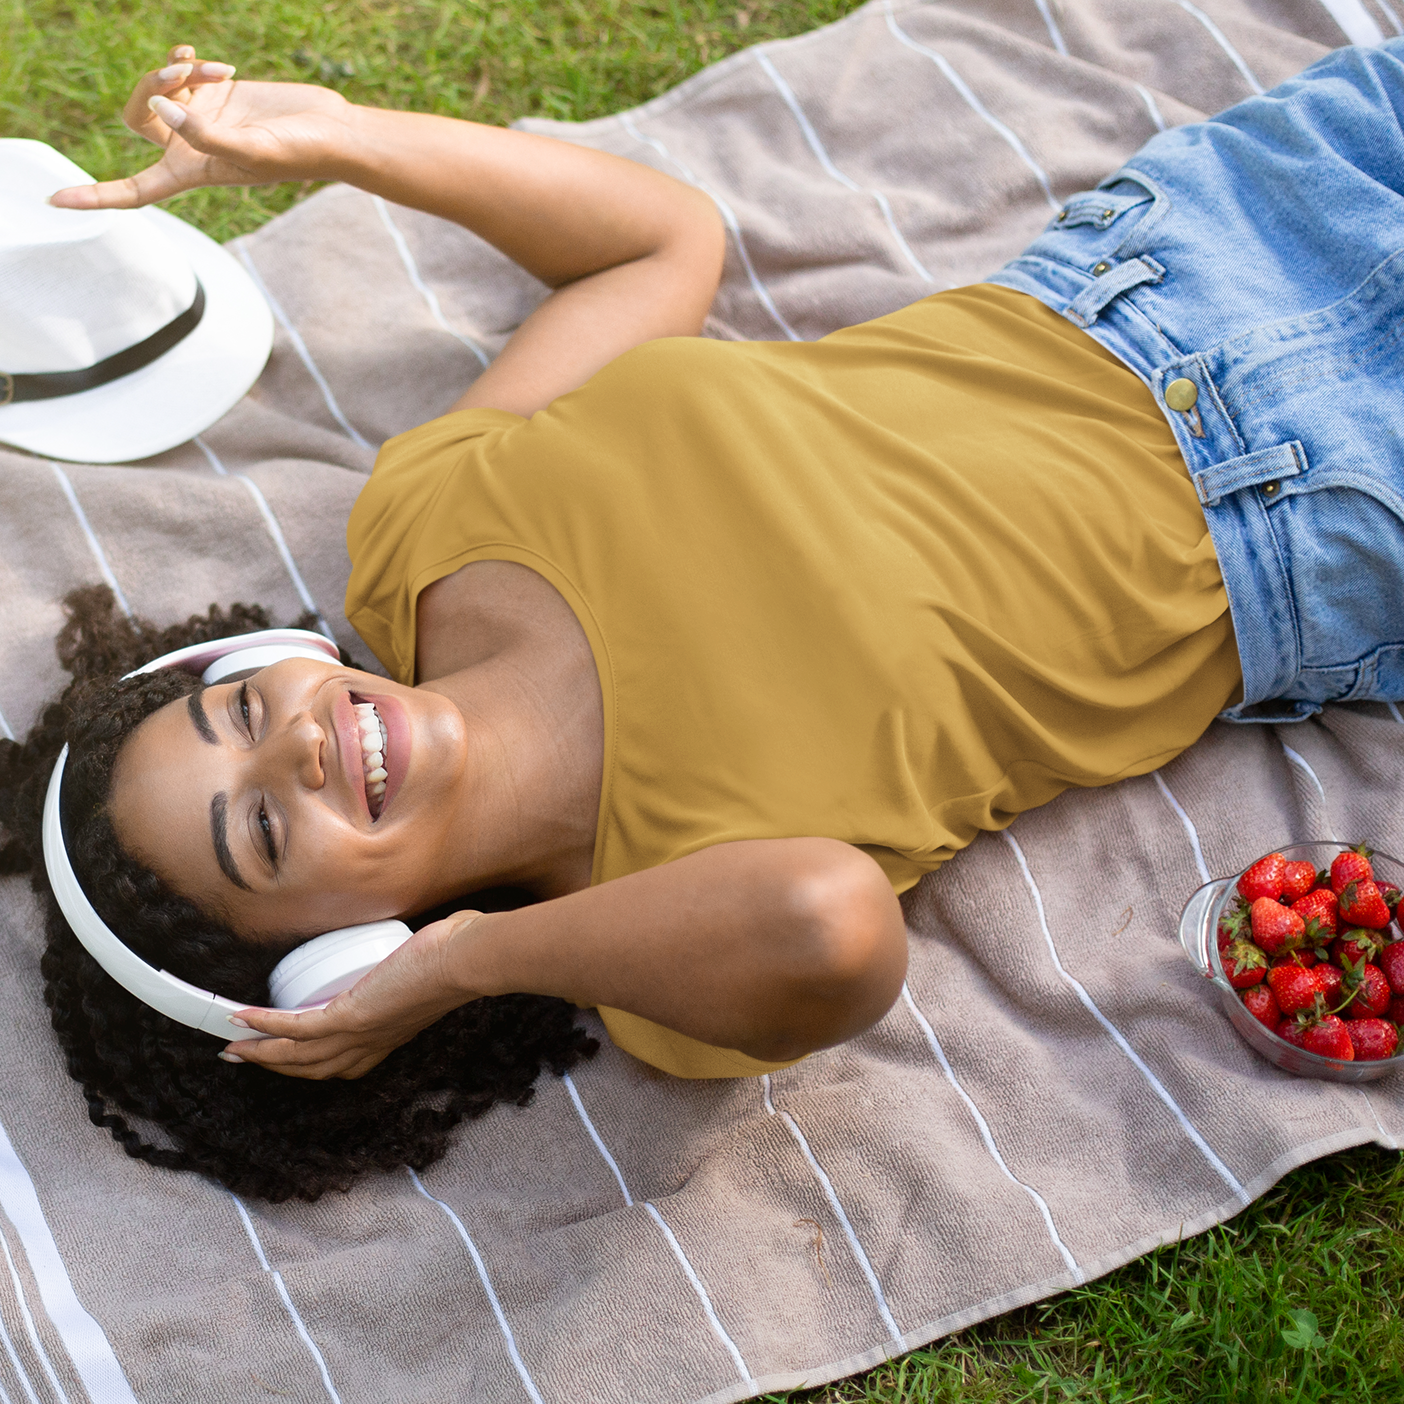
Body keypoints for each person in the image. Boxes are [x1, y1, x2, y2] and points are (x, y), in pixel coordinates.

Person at [3, 37, 1401, 1200]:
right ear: (327, 965)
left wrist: (343, 137)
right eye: (260, 829)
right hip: (1327, 520)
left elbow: (658, 246)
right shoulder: (658, 950)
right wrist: (466, 968)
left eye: (239, 710)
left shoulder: (415, 534)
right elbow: (833, 925)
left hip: (1199, 242)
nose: (294, 749)